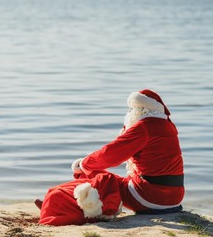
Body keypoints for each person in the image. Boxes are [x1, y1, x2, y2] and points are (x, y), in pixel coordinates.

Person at [37, 89, 185, 226]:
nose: (130, 112)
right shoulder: (167, 125)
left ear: (141, 110)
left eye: (132, 109)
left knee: (97, 179)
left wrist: (83, 164)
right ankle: (67, 205)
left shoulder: (145, 126)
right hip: (173, 199)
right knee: (97, 175)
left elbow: (110, 155)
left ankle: (72, 209)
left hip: (150, 197)